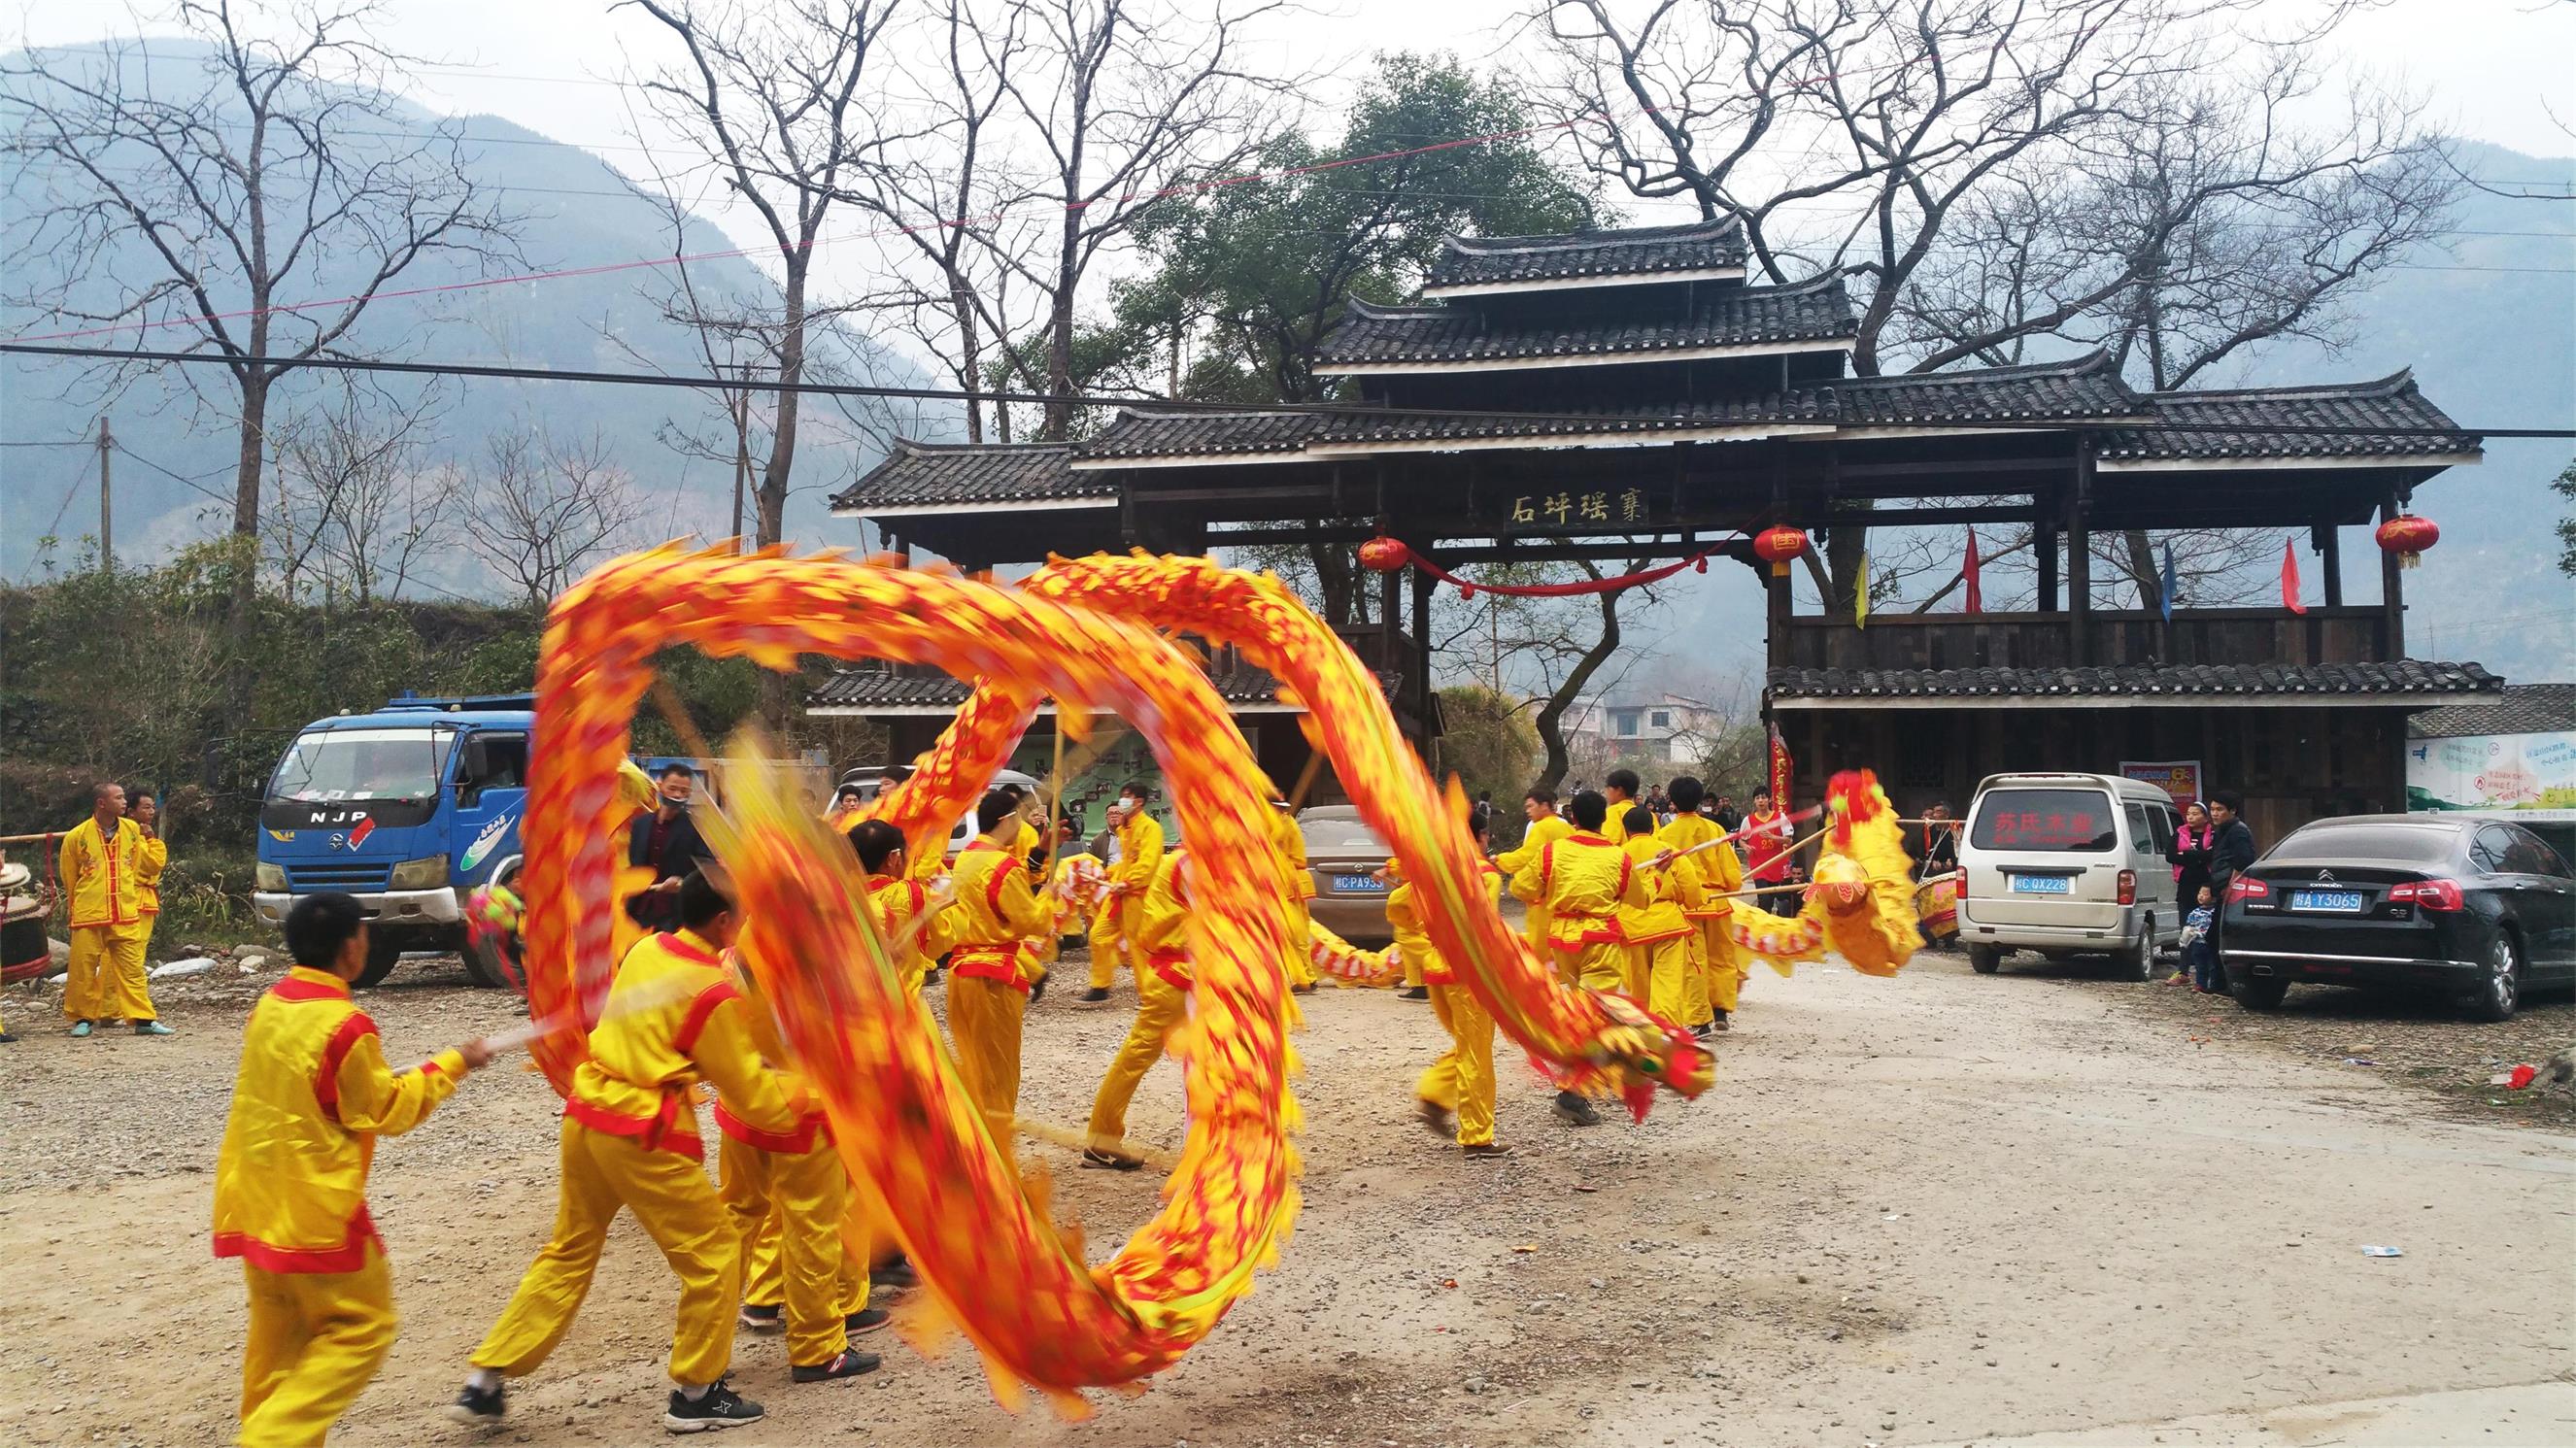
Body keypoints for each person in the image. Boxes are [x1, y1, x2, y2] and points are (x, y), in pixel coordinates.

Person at [455, 871, 805, 1432]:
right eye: (739, 916)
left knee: (568, 1249)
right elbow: (750, 1093)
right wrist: (814, 1094)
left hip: (589, 1110)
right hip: (641, 1130)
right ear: (721, 922)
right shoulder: (709, 990)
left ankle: (485, 1381)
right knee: (715, 1251)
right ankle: (696, 1394)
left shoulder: (647, 949)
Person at [215, 892, 491, 1448]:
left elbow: (318, 1090)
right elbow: (384, 1108)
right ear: (349, 949)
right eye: (362, 933)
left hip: (253, 1198)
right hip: (314, 1210)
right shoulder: (346, 1024)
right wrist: (454, 1064)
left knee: (280, 1352)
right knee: (362, 1329)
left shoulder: (268, 1006)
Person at [713, 952, 883, 1387]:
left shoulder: (733, 951)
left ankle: (715, 1347)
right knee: (813, 1226)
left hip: (745, 1098)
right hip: (802, 1103)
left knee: (738, 1218)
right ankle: (817, 1348)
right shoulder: (804, 950)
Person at [1509, 791, 1652, 1127]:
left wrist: (1548, 890)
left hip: (1562, 939)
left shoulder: (1552, 852)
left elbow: (1519, 888)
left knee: (1578, 1011)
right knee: (1600, 1017)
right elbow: (1641, 900)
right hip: (1600, 940)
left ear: (1573, 819)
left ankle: (1580, 1079)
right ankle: (1575, 1092)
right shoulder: (1619, 857)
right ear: (1604, 820)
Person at [942, 790, 1055, 1168]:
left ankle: (973, 1145)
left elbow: (1009, 886)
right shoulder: (1002, 867)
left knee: (974, 1064)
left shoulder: (967, 858)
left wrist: (1040, 853)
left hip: (961, 973)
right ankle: (994, 1159)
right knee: (1000, 1070)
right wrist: (1050, 896)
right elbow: (1030, 920)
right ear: (1007, 821)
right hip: (993, 978)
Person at [1403, 807, 1512, 1159]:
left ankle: (1436, 1094)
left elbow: (1397, 904)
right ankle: (1477, 1136)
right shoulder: (1485, 876)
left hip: (1438, 970)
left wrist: (1426, 946)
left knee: (1469, 1046)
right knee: (1477, 1053)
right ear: (1480, 837)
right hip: (1470, 976)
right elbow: (1484, 928)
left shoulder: (1430, 872)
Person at [1082, 847, 1191, 1170]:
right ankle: (1102, 1140)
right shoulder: (1191, 864)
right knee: (1137, 1057)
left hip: (1184, 973)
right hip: (1180, 976)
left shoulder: (1189, 859)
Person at [61, 782, 168, 1036]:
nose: (123, 802)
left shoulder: (132, 830)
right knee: (83, 968)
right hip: (90, 911)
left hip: (125, 910)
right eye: (118, 798)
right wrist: (79, 904)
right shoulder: (77, 836)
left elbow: (136, 866)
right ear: (102, 803)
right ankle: (83, 1018)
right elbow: (69, 877)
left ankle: (143, 1019)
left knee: (132, 968)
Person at [1655, 776, 1741, 1036]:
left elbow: (1663, 876)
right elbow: (1733, 876)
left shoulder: (1665, 834)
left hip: (1688, 906)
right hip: (1717, 903)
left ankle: (1699, 1020)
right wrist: (1729, 887)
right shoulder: (1714, 830)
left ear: (1671, 801)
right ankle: (1720, 1010)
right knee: (1721, 957)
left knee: (1694, 962)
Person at [852, 821, 956, 995]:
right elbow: (940, 943)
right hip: (901, 1006)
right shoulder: (908, 894)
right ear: (893, 858)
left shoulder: (836, 895)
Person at [1083, 783, 1163, 1001]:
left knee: (1138, 946)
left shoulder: (1150, 829)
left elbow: (1148, 865)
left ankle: (1150, 993)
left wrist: (1127, 882)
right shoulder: (1125, 830)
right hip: (1120, 894)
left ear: (1139, 802)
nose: (1122, 801)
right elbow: (1127, 862)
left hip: (1137, 897)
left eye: (1127, 797)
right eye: (1121, 797)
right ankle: (1100, 986)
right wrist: (1109, 874)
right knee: (1098, 936)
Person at [1617, 804, 1693, 1014]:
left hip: (1631, 926)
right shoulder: (1669, 853)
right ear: (1652, 828)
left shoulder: (1618, 856)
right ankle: (1666, 1032)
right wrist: (1692, 900)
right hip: (1667, 923)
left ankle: (1645, 1029)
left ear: (1625, 831)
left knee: (1638, 985)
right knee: (1668, 983)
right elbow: (1691, 888)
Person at [625, 764, 706, 936]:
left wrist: (682, 882)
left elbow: (707, 868)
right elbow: (633, 863)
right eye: (673, 789)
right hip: (639, 910)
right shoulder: (641, 824)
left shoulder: (696, 827)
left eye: (684, 791)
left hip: (675, 914)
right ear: (660, 785)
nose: (678, 795)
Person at [1494, 787, 1574, 962]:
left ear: (1544, 805)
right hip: (1566, 894)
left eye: (1530, 806)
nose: (1528, 811)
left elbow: (1526, 856)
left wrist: (1499, 860)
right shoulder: (1567, 827)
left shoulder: (1541, 827)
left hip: (1545, 895)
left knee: (1539, 948)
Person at [2204, 792, 2257, 973]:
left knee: (2218, 936)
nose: (2215, 814)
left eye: (2219, 809)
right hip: (2220, 887)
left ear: (2232, 811)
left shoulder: (2238, 830)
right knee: (2214, 936)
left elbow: (2243, 861)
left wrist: (2231, 886)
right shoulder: (2221, 830)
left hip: (2232, 890)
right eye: (2212, 809)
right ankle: (2218, 981)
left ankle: (2225, 982)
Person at [1743, 789, 1796, 917]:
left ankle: (1781, 924)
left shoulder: (1780, 817)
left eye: (1763, 797)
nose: (1761, 801)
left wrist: (1773, 838)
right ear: (1754, 801)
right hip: (1759, 865)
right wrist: (1746, 847)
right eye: (1757, 798)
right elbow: (1742, 840)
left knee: (1783, 899)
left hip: (1778, 864)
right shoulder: (1748, 820)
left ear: (1770, 799)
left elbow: (1789, 840)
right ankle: (1762, 926)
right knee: (1765, 900)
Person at [131, 791, 170, 963]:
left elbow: (153, 864)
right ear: (131, 812)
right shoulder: (125, 837)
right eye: (146, 807)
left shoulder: (152, 842)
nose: (152, 811)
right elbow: (150, 864)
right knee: (129, 948)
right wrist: (146, 838)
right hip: (129, 898)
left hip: (141, 899)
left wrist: (148, 839)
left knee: (136, 947)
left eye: (153, 807)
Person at [2179, 885, 2220, 992]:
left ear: (2214, 898)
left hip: (2210, 943)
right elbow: (2189, 926)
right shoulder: (2195, 912)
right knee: (2200, 965)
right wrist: (2187, 936)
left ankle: (2214, 985)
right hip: (2197, 943)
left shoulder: (2215, 913)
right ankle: (2200, 984)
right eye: (2200, 893)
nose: (2201, 896)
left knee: (2213, 965)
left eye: (2205, 894)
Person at [1602, 768, 1643, 844]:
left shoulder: (1613, 811)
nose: (1606, 792)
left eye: (1608, 788)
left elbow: (1608, 841)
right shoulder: (1648, 814)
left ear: (1619, 790)